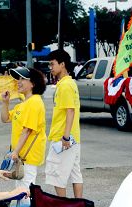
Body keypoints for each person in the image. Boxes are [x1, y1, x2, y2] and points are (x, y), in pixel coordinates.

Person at [1, 67, 47, 206]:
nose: (18, 82)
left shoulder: (34, 102)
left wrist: (15, 152)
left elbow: (27, 131)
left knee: (25, 192)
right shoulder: (24, 104)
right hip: (21, 158)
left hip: (28, 157)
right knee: (21, 191)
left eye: (22, 79)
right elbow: (5, 118)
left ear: (33, 83)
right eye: (18, 79)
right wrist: (5, 102)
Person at [45, 49, 83, 198]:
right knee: (75, 173)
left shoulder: (66, 85)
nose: (50, 67)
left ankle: (63, 204)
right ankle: (78, 203)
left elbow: (70, 111)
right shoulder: (69, 83)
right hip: (74, 138)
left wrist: (65, 137)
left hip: (63, 138)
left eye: (52, 64)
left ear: (62, 64)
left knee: (56, 174)